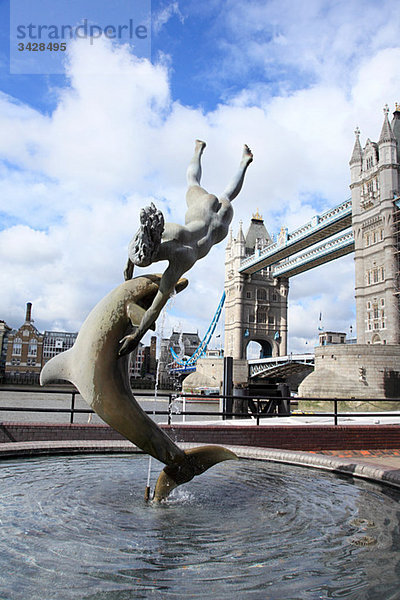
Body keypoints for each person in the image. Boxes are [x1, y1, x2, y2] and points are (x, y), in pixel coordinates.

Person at [119, 140, 253, 356]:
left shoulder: (183, 260)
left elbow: (156, 305)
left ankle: (241, 162)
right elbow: (146, 232)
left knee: (226, 195)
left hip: (222, 223)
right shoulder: (173, 231)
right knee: (193, 181)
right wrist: (129, 262)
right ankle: (207, 151)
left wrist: (137, 336)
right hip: (206, 210)